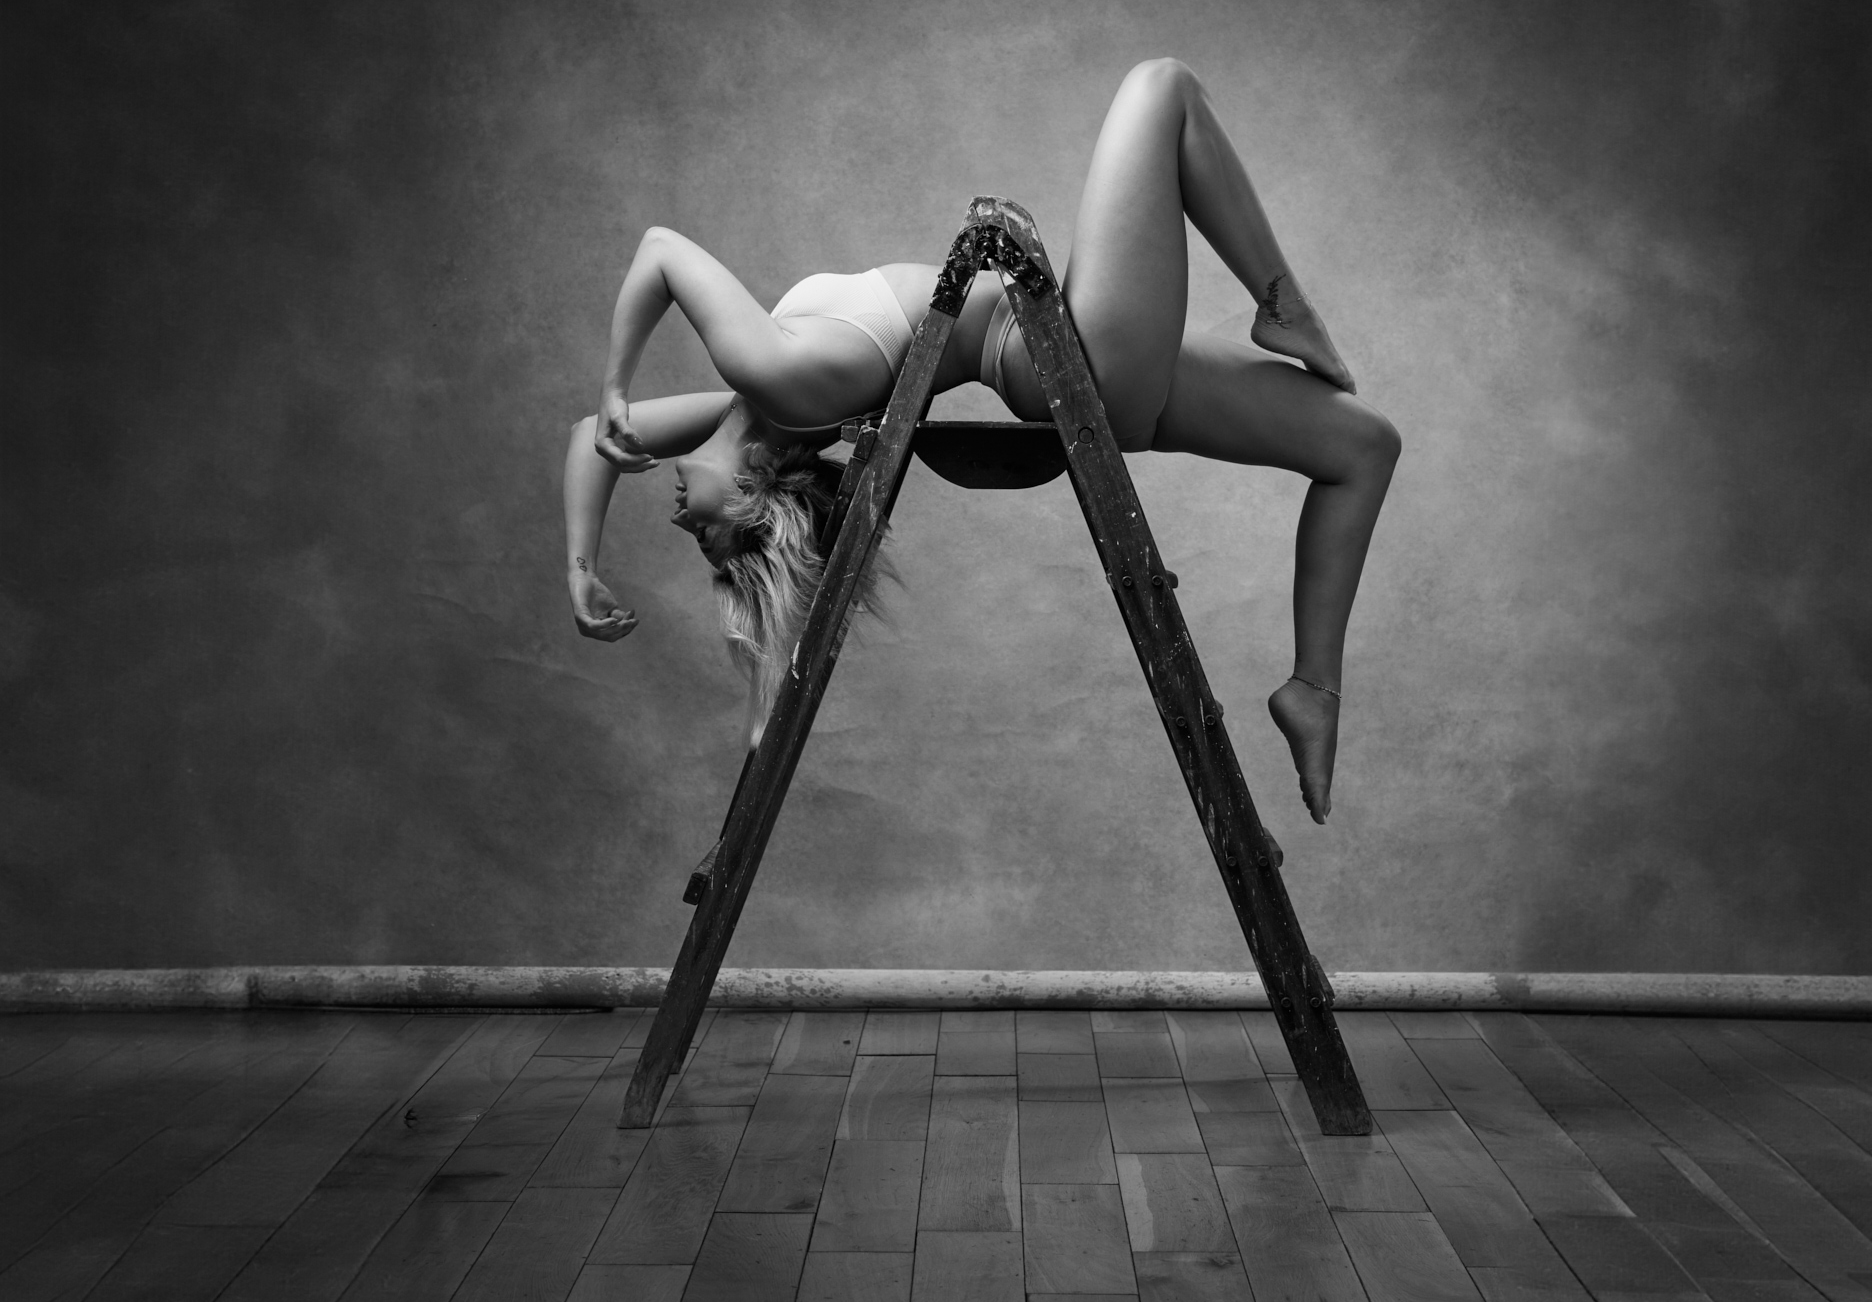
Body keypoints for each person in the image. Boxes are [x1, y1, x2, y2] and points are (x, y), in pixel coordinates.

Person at [563, 59, 1399, 823]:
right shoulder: (775, 379)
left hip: (1083, 357)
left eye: (697, 537)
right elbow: (662, 252)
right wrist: (612, 389)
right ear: (756, 482)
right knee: (1161, 88)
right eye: (709, 537)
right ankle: (1282, 305)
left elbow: (586, 441)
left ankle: (1312, 687)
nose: (681, 525)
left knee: (1364, 447)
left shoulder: (759, 402)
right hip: (1068, 362)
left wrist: (580, 565)